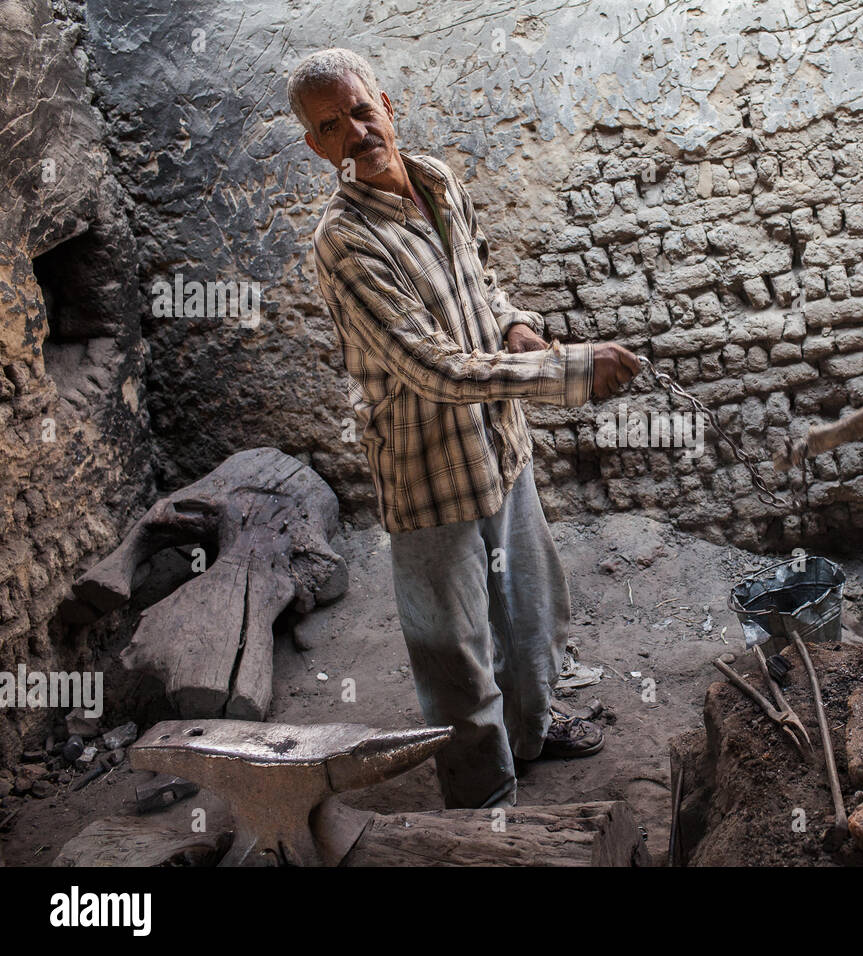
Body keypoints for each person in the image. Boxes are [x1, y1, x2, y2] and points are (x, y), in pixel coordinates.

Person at [288, 48, 640, 809]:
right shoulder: (343, 242)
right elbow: (437, 371)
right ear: (314, 146)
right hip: (427, 473)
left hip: (501, 449)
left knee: (534, 619)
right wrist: (572, 371)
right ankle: (483, 802)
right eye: (328, 126)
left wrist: (514, 324)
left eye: (357, 110)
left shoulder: (438, 181)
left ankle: (532, 734)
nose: (352, 132)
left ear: (385, 103)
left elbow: (480, 279)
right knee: (455, 656)